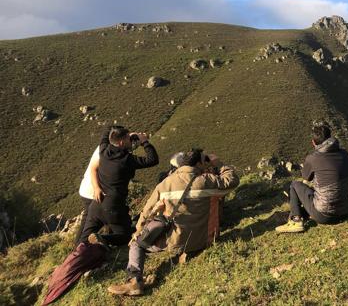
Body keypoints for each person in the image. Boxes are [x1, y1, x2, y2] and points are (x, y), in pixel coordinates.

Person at [107, 149, 239, 296]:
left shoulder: (165, 184)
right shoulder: (206, 181)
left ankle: (134, 281)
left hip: (175, 242)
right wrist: (218, 164)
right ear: (199, 163)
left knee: (136, 244)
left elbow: (145, 212)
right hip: (204, 239)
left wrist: (138, 231)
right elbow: (232, 181)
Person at [79, 126, 159, 247]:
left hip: (96, 205)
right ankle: (103, 239)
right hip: (113, 207)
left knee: (83, 241)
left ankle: (73, 260)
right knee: (125, 235)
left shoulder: (103, 150)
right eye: (128, 139)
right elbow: (153, 160)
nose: (130, 141)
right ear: (121, 142)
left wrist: (123, 133)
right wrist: (144, 141)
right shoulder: (126, 160)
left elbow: (105, 135)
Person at [275, 122, 348, 233]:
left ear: (313, 142)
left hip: (324, 215)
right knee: (320, 192)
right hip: (346, 211)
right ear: (331, 138)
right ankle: (302, 213)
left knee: (295, 185)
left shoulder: (313, 158)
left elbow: (306, 178)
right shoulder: (345, 154)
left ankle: (296, 220)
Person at [74, 147, 104, 245]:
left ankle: (77, 249)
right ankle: (80, 248)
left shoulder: (104, 146)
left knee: (88, 221)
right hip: (92, 192)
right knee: (89, 223)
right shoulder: (105, 149)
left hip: (89, 190)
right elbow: (94, 169)